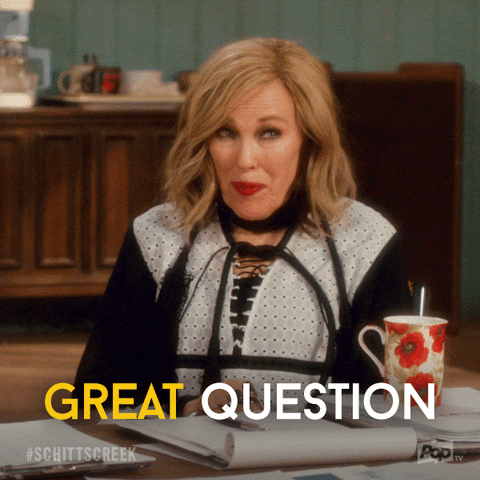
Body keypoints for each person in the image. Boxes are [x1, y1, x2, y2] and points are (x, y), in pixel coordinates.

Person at [74, 37, 411, 415]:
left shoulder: (366, 240)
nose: (245, 160)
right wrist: (187, 408)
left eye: (270, 133)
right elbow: (93, 401)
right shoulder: (155, 236)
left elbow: (393, 408)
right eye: (225, 132)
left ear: (310, 139)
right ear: (203, 141)